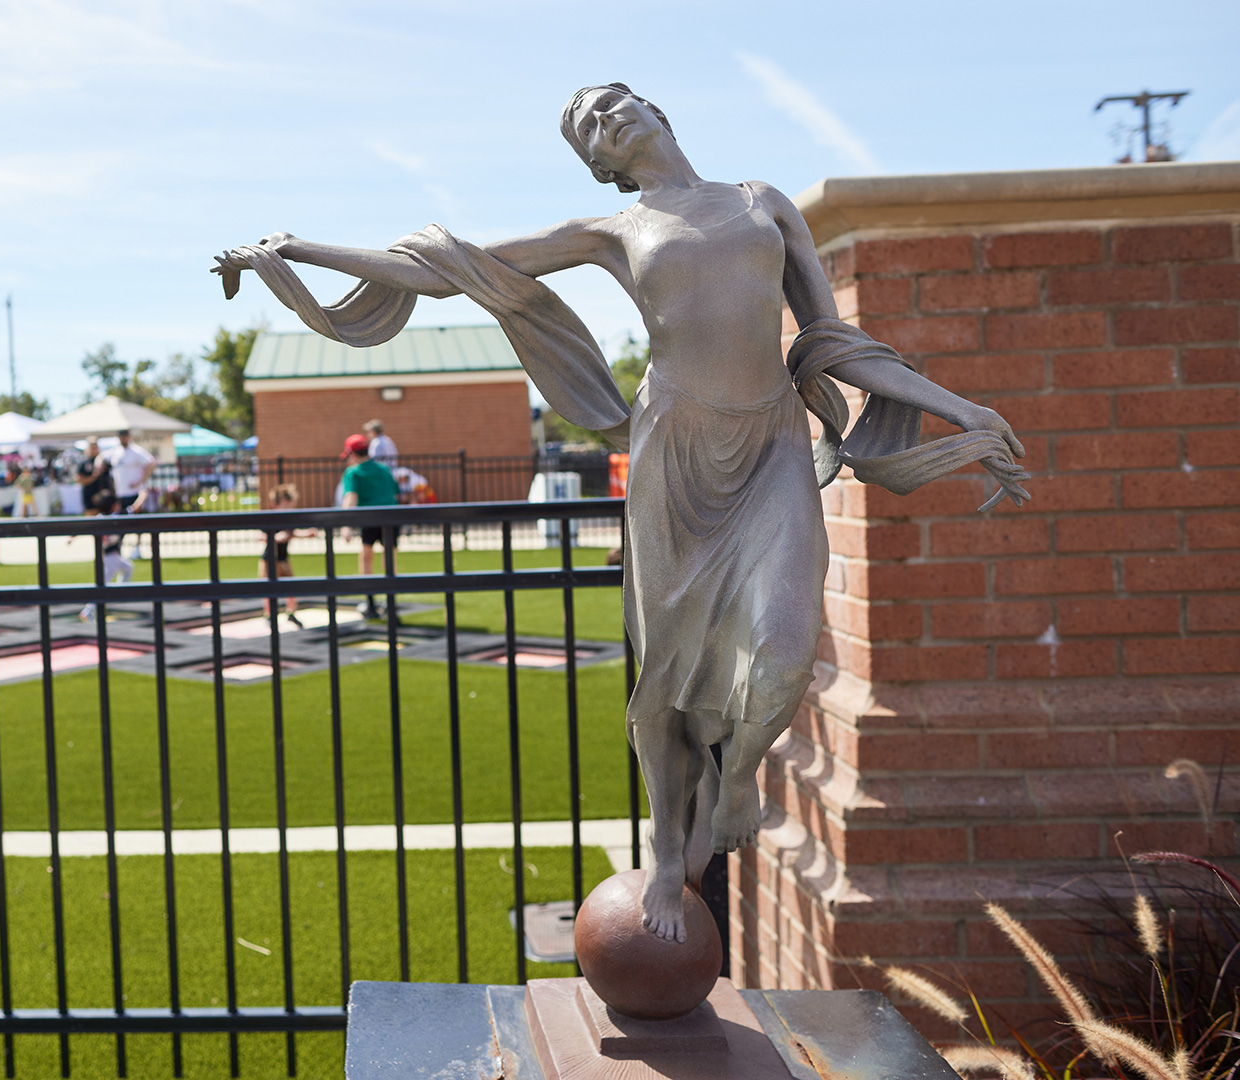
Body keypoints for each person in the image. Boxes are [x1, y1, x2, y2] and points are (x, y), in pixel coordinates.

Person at [213, 81, 1028, 943]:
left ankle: (742, 770)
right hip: (674, 454)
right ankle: (667, 851)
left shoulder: (763, 203)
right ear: (597, 162)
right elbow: (441, 271)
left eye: (616, 102)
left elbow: (831, 344)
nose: (608, 118)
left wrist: (959, 410)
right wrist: (294, 249)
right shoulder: (611, 229)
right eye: (588, 124)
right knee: (667, 672)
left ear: (661, 113)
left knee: (786, 651)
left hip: (771, 451)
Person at [336, 434, 400, 620]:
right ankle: (391, 604)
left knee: (366, 558)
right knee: (389, 560)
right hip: (391, 518)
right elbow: (394, 493)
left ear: (352, 454)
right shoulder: (384, 469)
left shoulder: (353, 472)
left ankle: (370, 603)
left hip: (370, 519)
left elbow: (350, 497)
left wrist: (345, 525)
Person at [262, 484, 314, 627]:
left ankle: (291, 613)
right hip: (269, 559)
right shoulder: (270, 519)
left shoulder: (288, 520)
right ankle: (269, 615)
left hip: (284, 558)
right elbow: (259, 536)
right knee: (269, 588)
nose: (289, 509)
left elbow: (292, 534)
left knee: (291, 586)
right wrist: (276, 537)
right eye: (285, 506)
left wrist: (307, 534)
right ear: (275, 505)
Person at [100, 429, 156, 515]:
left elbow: (151, 463)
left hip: (134, 493)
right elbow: (101, 457)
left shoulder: (136, 451)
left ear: (129, 437)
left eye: (125, 436)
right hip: (120, 494)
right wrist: (99, 467)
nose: (124, 438)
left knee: (136, 521)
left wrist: (141, 481)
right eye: (122, 436)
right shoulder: (115, 451)